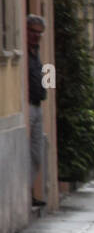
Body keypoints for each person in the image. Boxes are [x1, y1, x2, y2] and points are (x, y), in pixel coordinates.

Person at [26, 15, 47, 208]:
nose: (35, 36)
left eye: (39, 33)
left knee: (36, 154)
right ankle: (27, 195)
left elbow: (47, 72)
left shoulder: (38, 51)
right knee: (29, 153)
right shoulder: (24, 53)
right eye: (32, 31)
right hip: (27, 105)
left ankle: (30, 190)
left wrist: (49, 89)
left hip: (38, 104)